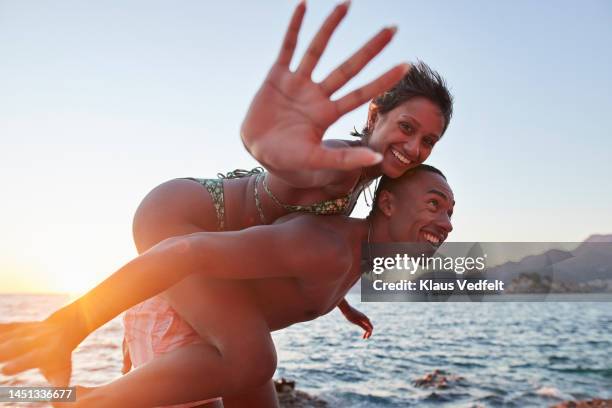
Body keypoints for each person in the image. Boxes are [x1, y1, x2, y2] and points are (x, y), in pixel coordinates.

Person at [0, 165, 455, 407]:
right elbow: (185, 252)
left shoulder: (356, 253)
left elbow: (303, 279)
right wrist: (69, 324)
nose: (446, 222)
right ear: (388, 203)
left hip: (214, 323)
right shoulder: (325, 243)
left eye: (451, 212)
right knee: (97, 403)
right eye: (434, 205)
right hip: (181, 311)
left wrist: (342, 306)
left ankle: (18, 395)